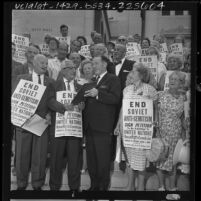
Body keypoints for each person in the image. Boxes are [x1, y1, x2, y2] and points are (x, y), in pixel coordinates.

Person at [13, 54, 66, 190]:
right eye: (42, 63)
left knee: (40, 156)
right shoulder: (21, 78)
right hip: (24, 123)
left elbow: (52, 101)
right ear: (34, 64)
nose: (44, 65)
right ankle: (21, 184)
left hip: (42, 123)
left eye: (46, 63)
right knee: (21, 156)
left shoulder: (51, 82)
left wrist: (51, 113)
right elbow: (15, 99)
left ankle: (37, 184)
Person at [114, 63, 158, 191]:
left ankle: (140, 187)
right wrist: (118, 124)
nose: (130, 74)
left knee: (141, 159)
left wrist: (155, 122)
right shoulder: (126, 89)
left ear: (142, 75)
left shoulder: (150, 89)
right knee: (129, 159)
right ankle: (130, 186)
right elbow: (123, 109)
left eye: (133, 72)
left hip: (143, 130)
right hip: (127, 129)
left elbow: (156, 109)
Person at [83, 56, 121, 191]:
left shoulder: (113, 79)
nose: (93, 66)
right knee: (92, 160)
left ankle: (103, 188)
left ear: (104, 64)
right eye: (92, 63)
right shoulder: (92, 80)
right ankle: (94, 186)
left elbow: (116, 99)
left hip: (103, 127)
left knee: (103, 160)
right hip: (89, 126)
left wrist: (98, 94)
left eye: (95, 63)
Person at [49, 60, 84, 192]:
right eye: (70, 68)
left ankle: (74, 188)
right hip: (59, 128)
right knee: (56, 160)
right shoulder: (54, 84)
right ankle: (54, 188)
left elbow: (82, 104)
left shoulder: (80, 87)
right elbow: (50, 101)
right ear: (63, 70)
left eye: (74, 68)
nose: (73, 71)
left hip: (74, 129)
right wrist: (63, 107)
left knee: (74, 161)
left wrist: (82, 106)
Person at [156, 71, 186, 191]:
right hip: (162, 132)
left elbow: (184, 117)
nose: (172, 81)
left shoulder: (184, 97)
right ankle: (161, 187)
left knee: (173, 161)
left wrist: (184, 135)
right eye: (171, 79)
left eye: (175, 79)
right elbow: (155, 113)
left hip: (176, 133)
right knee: (160, 160)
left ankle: (172, 188)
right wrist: (156, 129)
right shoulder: (160, 95)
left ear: (181, 83)